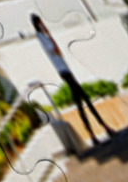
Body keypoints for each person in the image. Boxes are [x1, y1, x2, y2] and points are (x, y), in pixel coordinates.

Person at [32, 14, 115, 146]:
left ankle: (98, 131)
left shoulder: (43, 37)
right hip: (64, 72)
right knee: (84, 101)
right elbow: (56, 50)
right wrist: (50, 35)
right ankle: (101, 130)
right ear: (38, 23)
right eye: (41, 22)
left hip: (66, 71)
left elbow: (59, 52)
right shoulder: (42, 37)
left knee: (82, 101)